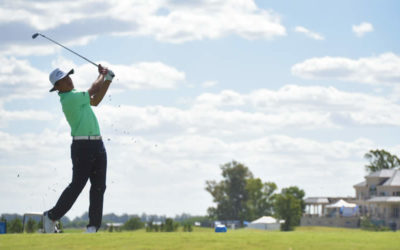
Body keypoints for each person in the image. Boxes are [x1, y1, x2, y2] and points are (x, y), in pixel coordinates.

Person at [43, 65, 114, 233]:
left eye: (68, 77)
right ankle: (51, 216)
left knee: (99, 186)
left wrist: (108, 80)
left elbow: (95, 101)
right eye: (64, 80)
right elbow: (94, 89)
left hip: (98, 144)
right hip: (82, 146)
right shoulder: (69, 98)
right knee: (77, 186)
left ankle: (93, 227)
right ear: (57, 88)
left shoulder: (77, 96)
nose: (69, 80)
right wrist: (102, 75)